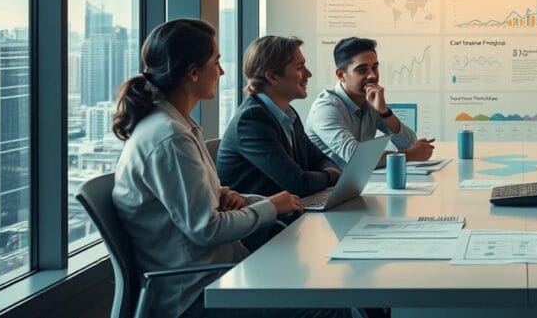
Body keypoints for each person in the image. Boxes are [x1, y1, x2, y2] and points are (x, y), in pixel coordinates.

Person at [110, 19, 344, 318]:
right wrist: (270, 206)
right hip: (196, 294)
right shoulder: (169, 137)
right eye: (216, 62)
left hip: (219, 274)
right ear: (193, 72)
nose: (221, 72)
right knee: (330, 305)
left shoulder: (176, 127)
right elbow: (205, 230)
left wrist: (228, 196)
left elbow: (188, 205)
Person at [217, 36, 341, 201]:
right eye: (299, 67)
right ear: (273, 76)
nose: (308, 74)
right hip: (268, 222)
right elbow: (298, 183)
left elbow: (319, 159)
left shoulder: (288, 113)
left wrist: (326, 173)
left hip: (291, 210)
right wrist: (332, 176)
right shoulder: (252, 120)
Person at [305, 36, 434, 168]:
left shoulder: (370, 101)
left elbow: (409, 143)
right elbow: (357, 158)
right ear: (340, 75)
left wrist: (384, 112)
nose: (372, 75)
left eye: (375, 67)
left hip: (358, 183)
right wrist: (409, 155)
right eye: (362, 70)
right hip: (329, 187)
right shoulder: (325, 108)